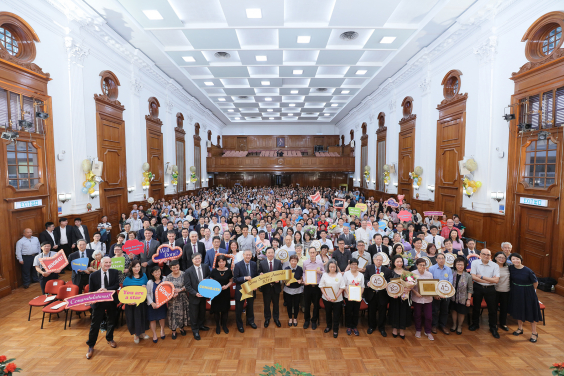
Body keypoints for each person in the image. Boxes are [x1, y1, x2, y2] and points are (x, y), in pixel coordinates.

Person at [86, 256, 119, 359]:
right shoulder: (93, 275)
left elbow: (116, 285)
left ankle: (110, 338)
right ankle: (91, 345)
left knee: (111, 321)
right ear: (101, 264)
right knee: (95, 324)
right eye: (106, 263)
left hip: (111, 301)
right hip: (98, 302)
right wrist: (98, 292)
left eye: (109, 262)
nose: (108, 264)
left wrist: (106, 289)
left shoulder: (114, 272)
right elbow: (91, 290)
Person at [507, 253, 542, 343]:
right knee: (518, 310)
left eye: (517, 259)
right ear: (511, 260)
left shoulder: (528, 271)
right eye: (513, 259)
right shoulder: (511, 268)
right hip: (516, 292)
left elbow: (535, 283)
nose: (516, 261)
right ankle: (520, 328)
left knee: (531, 312)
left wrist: (530, 292)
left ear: (521, 260)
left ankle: (534, 333)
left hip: (528, 292)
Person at [469, 248, 501, 338]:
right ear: (480, 255)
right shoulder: (475, 263)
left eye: (488, 255)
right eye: (484, 254)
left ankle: (493, 327)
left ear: (491, 256)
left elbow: (496, 280)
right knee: (476, 307)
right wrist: (489, 280)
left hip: (490, 289)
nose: (486, 256)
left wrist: (482, 277)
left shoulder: (495, 265)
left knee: (492, 309)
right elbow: (473, 277)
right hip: (478, 287)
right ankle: (475, 324)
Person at [364, 253, 392, 337]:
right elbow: (365, 278)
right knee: (371, 311)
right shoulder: (369, 268)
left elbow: (389, 280)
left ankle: (381, 328)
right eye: (377, 260)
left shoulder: (387, 270)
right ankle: (371, 327)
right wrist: (367, 283)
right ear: (374, 260)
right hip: (371, 294)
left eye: (380, 260)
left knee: (382, 312)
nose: (379, 261)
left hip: (382, 294)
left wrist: (387, 284)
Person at [184, 253, 211, 340]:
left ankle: (201, 325)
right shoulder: (188, 271)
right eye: (195, 259)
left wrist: (206, 279)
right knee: (194, 314)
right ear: (192, 260)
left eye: (199, 258)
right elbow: (187, 286)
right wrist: (195, 293)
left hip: (204, 295)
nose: (197, 260)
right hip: (194, 296)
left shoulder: (205, 267)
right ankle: (195, 330)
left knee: (202, 312)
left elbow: (209, 276)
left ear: (201, 259)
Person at [122, 260, 149, 343]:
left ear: (140, 267)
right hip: (131, 303)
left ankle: (142, 333)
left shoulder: (144, 275)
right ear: (131, 268)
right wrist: (128, 302)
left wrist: (145, 288)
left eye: (138, 266)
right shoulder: (127, 278)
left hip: (142, 302)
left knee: (142, 317)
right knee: (134, 318)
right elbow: (124, 292)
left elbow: (148, 288)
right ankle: (136, 334)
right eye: (134, 267)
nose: (136, 268)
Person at [319, 259, 345, 338]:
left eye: (334, 267)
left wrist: (336, 296)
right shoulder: (325, 275)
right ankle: (328, 326)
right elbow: (321, 286)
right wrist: (326, 296)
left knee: (337, 314)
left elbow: (342, 287)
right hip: (327, 298)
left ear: (336, 267)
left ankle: (335, 329)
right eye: (331, 267)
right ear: (328, 267)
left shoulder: (339, 275)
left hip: (338, 298)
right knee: (328, 313)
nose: (332, 268)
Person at [234, 249, 258, 332]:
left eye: (250, 255)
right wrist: (245, 278)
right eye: (247, 255)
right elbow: (235, 279)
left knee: (250, 306)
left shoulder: (254, 264)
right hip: (241, 290)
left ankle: (250, 321)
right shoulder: (237, 265)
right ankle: (239, 324)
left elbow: (255, 276)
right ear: (243, 255)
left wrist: (256, 284)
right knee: (239, 308)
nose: (248, 256)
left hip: (251, 289)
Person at [428, 253, 453, 335]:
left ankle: (443, 325)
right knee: (434, 310)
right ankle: (434, 325)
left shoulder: (448, 269)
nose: (441, 260)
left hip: (446, 294)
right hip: (436, 294)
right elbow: (431, 282)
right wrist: (435, 294)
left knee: (445, 311)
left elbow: (450, 282)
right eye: (439, 258)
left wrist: (446, 294)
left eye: (443, 258)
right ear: (436, 259)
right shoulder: (431, 269)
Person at [410, 258, 434, 340]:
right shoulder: (412, 273)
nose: (422, 266)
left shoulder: (429, 274)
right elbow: (410, 286)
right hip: (417, 298)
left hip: (428, 299)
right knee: (417, 315)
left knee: (428, 316)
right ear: (417, 265)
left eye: (424, 265)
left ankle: (428, 331)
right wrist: (416, 292)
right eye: (420, 265)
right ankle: (418, 330)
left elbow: (432, 286)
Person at [259, 247, 282, 328]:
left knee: (276, 304)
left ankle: (276, 319)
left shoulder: (278, 262)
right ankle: (267, 319)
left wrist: (279, 280)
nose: (270, 254)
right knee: (266, 304)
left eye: (272, 252)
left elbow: (281, 274)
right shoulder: (262, 263)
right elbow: (259, 273)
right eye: (269, 252)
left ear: (274, 253)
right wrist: (260, 275)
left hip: (276, 287)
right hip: (266, 288)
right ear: (266, 254)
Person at [388, 254, 411, 339]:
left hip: (404, 296)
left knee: (403, 312)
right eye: (397, 261)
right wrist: (393, 293)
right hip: (394, 297)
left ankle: (402, 330)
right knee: (395, 311)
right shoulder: (390, 272)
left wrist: (408, 289)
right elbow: (388, 285)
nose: (399, 263)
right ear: (394, 263)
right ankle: (394, 328)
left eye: (401, 261)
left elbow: (411, 285)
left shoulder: (407, 272)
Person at [210, 255, 233, 334]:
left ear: (225, 262)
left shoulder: (229, 271)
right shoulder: (214, 271)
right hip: (216, 293)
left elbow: (231, 281)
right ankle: (217, 326)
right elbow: (211, 281)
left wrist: (226, 286)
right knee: (216, 311)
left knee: (225, 310)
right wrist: (216, 287)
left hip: (225, 293)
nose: (221, 263)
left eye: (223, 261)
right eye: (219, 262)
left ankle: (224, 326)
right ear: (217, 262)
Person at [166, 260, 189, 339]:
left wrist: (181, 289)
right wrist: (171, 294)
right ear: (170, 268)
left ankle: (182, 329)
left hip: (182, 298)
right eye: (174, 268)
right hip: (172, 300)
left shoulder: (184, 274)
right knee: (173, 315)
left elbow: (188, 285)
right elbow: (165, 289)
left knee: (182, 314)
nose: (176, 269)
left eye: (177, 267)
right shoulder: (168, 277)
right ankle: (173, 331)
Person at [302, 246, 324, 330]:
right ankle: (307, 320)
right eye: (310, 252)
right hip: (307, 286)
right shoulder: (305, 263)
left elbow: (324, 272)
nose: (312, 254)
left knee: (316, 305)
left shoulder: (320, 262)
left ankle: (314, 321)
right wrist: (304, 280)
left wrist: (320, 272)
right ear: (308, 253)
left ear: (316, 253)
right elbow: (304, 272)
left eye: (313, 252)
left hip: (317, 287)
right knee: (307, 304)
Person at [450, 257, 473, 335]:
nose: (460, 266)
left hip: (463, 298)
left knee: (461, 312)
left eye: (462, 265)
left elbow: (470, 289)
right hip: (452, 297)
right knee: (454, 310)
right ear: (455, 265)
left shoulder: (468, 276)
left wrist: (468, 299)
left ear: (465, 265)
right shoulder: (451, 273)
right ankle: (454, 324)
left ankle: (459, 326)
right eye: (458, 264)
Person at [343, 258, 364, 336]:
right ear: (350, 265)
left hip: (357, 296)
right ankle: (348, 326)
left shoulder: (361, 275)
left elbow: (362, 287)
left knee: (356, 312)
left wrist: (359, 296)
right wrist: (348, 295)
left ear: (357, 265)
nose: (354, 266)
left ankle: (354, 326)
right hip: (348, 296)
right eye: (352, 264)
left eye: (355, 264)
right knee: (348, 311)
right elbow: (344, 285)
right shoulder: (346, 274)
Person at [284, 254, 303, 327]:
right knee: (289, 305)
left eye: (295, 261)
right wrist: (286, 282)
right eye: (292, 261)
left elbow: (301, 278)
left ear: (297, 261)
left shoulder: (300, 268)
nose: (293, 262)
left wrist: (300, 281)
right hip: (288, 290)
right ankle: (290, 318)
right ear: (290, 261)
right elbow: (283, 280)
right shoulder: (286, 269)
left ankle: (295, 318)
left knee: (296, 305)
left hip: (297, 290)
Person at [494, 252, 510, 332]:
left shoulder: (508, 267)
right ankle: (494, 324)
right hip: (495, 290)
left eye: (503, 258)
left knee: (504, 308)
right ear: (495, 258)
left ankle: (503, 323)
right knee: (493, 308)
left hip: (506, 290)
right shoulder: (492, 266)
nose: (501, 259)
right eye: (499, 257)